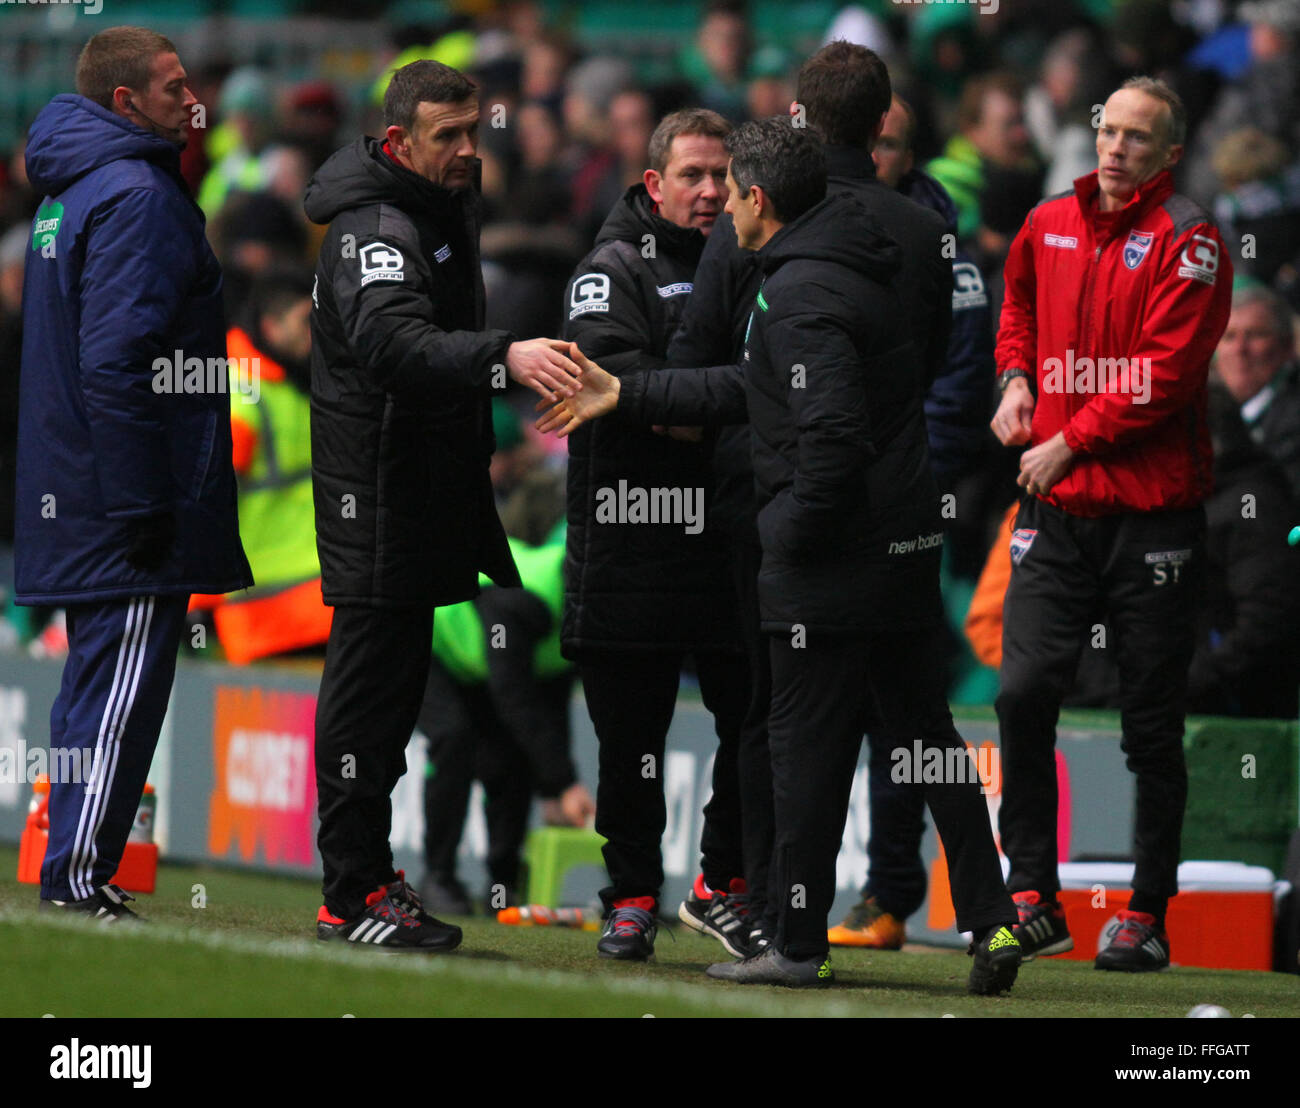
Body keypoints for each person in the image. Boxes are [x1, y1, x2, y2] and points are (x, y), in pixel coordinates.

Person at [542, 117, 1021, 994]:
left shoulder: (795, 290)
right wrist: (633, 389)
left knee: (801, 750)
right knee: (927, 739)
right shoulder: (859, 260)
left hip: (834, 561)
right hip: (905, 542)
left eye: (729, 189)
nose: (719, 204)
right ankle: (994, 922)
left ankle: (795, 943)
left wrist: (785, 534)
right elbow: (760, 387)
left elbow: (826, 430)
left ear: (758, 200)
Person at [661, 41, 953, 954]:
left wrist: (770, 493)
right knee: (905, 715)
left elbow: (698, 361)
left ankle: (771, 915)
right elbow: (932, 367)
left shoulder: (768, 237)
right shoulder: (916, 230)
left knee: (775, 717)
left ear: (796, 114)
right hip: (890, 509)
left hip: (777, 501)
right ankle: (981, 909)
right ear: (882, 124)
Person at [304, 59, 583, 952]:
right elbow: (393, 342)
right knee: (369, 696)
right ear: (398, 142)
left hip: (415, 482)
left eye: (474, 132)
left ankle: (367, 880)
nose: (470, 150)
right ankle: (351, 891)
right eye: (448, 137)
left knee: (388, 703)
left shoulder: (433, 205)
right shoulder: (375, 226)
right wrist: (509, 356)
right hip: (375, 486)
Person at [989, 76, 1233, 972]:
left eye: (1138, 138)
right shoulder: (1048, 220)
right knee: (1020, 693)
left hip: (1151, 517)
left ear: (1170, 154)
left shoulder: (1191, 240)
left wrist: (1067, 442)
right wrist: (1015, 381)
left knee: (1150, 722)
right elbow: (1015, 305)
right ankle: (1031, 894)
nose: (1116, 147)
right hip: (1056, 513)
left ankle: (1146, 911)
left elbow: (1162, 375)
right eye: (1109, 131)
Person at [16, 27, 252, 919]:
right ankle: (78, 878)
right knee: (118, 693)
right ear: (127, 102)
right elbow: (118, 362)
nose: (193, 101)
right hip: (123, 497)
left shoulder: (66, 193)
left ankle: (72, 868)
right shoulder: (139, 196)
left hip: (75, 486)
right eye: (173, 86)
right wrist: (144, 501)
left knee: (89, 690)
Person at [559, 108, 752, 962]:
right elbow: (610, 379)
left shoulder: (754, 258)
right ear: (654, 185)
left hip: (725, 542)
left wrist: (686, 404)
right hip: (627, 545)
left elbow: (770, 380)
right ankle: (631, 896)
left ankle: (724, 884)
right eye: (693, 177)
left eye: (722, 176)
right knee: (630, 745)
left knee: (750, 722)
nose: (710, 192)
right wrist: (722, 402)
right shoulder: (609, 269)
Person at [829, 91, 997, 951]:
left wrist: (876, 472)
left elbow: (959, 400)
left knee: (902, 712)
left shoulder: (946, 255)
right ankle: (775, 893)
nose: (876, 156)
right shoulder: (818, 229)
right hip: (826, 502)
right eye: (868, 141)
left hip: (899, 507)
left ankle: (893, 891)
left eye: (890, 144)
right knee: (836, 705)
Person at [1213, 284, 1300, 499]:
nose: (1239, 349)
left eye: (1256, 335)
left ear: (1288, 346)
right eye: (1229, 337)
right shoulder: (1201, 411)